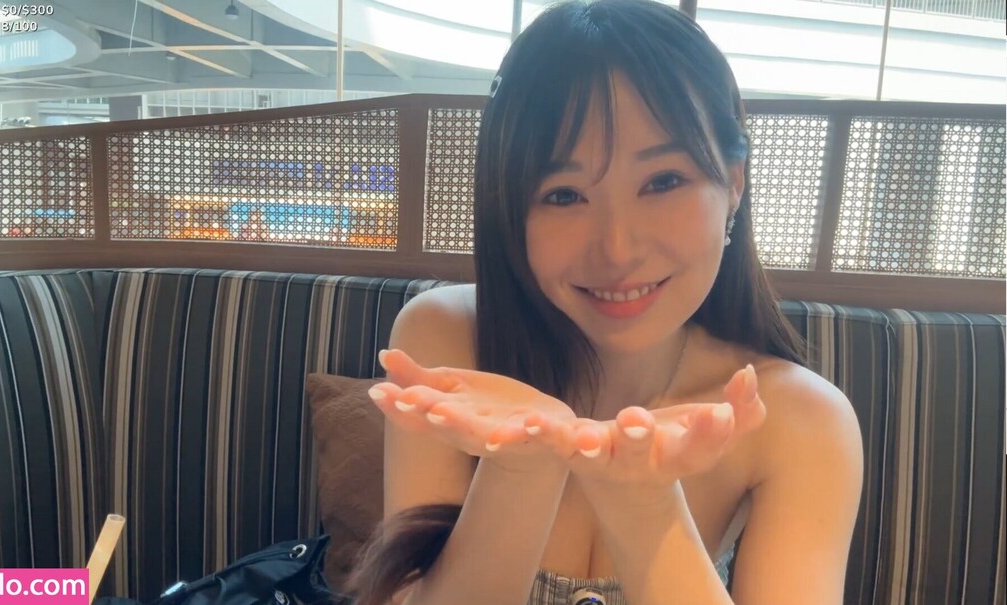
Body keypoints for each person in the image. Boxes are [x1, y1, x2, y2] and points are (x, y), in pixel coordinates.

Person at [344, 1, 864, 603]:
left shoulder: (801, 421)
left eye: (663, 181)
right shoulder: (446, 339)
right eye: (564, 194)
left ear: (734, 183)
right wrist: (521, 466)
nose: (617, 250)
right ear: (510, 210)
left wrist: (644, 501)